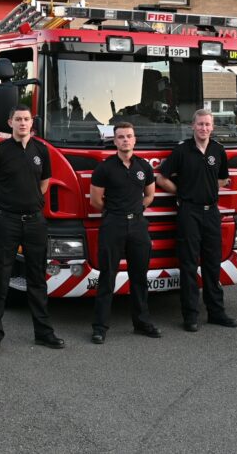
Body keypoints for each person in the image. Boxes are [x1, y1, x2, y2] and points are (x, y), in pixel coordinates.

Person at [0, 104, 64, 355]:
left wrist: (30, 204)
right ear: (10, 123)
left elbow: (44, 182)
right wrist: (7, 207)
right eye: (18, 119)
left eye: (26, 119)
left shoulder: (42, 150)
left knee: (38, 278)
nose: (23, 123)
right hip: (7, 222)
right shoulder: (0, 151)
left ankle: (43, 333)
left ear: (32, 123)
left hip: (35, 222)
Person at [157, 108, 237, 332]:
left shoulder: (218, 150)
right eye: (200, 124)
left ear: (212, 127)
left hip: (212, 213)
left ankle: (216, 312)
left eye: (207, 125)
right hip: (188, 213)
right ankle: (190, 315)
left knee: (213, 264)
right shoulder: (182, 151)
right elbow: (161, 178)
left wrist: (209, 187)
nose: (204, 128)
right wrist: (182, 191)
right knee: (189, 264)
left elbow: (223, 179)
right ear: (192, 126)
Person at [89, 122, 160, 343]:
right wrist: (116, 213)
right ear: (115, 141)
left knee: (139, 277)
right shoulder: (105, 168)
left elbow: (149, 195)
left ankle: (141, 322)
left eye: (129, 136)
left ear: (134, 139)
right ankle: (100, 327)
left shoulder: (143, 167)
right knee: (107, 276)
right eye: (120, 137)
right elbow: (95, 200)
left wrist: (137, 211)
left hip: (138, 226)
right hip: (113, 225)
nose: (125, 140)